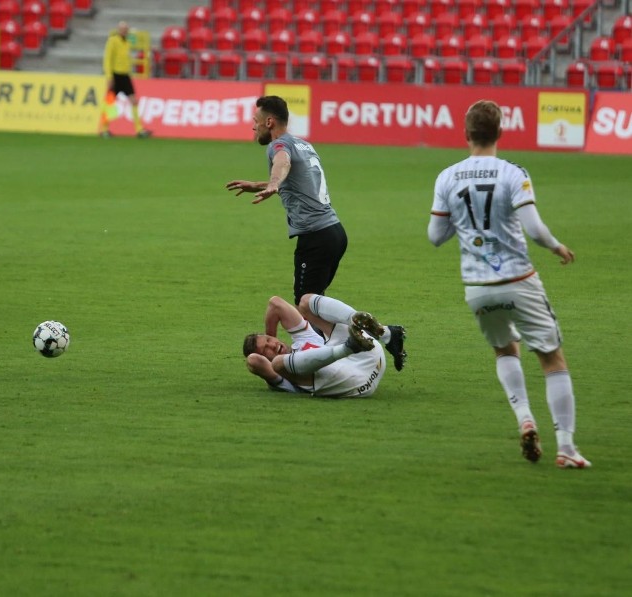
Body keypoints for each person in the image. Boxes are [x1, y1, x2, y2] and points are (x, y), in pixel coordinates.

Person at [428, 99, 589, 469]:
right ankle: (566, 448)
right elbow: (534, 229)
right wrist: (557, 246)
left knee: (504, 350)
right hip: (518, 278)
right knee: (552, 359)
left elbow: (436, 236)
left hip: (478, 286)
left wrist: (462, 222)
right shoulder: (514, 173)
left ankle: (524, 419)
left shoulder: (447, 176)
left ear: (466, 134)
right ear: (500, 132)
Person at [227, 96, 348, 305]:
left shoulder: (279, 145)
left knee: (306, 304)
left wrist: (273, 183)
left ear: (269, 122)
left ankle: (381, 330)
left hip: (315, 236)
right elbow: (298, 181)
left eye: (255, 121)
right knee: (315, 302)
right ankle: (343, 336)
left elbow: (282, 163)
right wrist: (257, 185)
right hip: (334, 232)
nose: (253, 127)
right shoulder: (303, 145)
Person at [242, 294, 406, 398]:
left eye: (269, 341)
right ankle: (349, 346)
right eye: (266, 349)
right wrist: (270, 365)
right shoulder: (280, 378)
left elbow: (275, 303)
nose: (272, 345)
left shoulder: (302, 339)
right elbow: (253, 361)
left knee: (305, 302)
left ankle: (386, 334)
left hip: (369, 354)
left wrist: (269, 335)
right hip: (359, 383)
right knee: (279, 364)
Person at [99, 21, 151, 139]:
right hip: (115, 75)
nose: (124, 31)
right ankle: (105, 129)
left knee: (134, 101)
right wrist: (109, 76)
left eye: (126, 29)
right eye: (123, 29)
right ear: (118, 30)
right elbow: (107, 59)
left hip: (125, 76)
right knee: (109, 102)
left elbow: (128, 57)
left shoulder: (127, 42)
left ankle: (139, 130)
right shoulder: (113, 41)